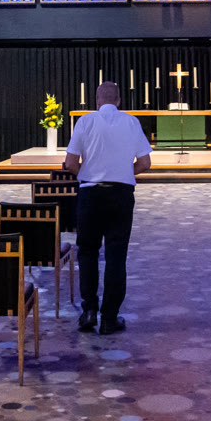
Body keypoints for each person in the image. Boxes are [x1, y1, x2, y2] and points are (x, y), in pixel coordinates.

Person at [62, 80, 151, 335]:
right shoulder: (131, 122)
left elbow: (70, 163)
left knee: (87, 252)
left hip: (90, 195)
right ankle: (109, 318)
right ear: (119, 100)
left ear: (97, 100)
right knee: (116, 255)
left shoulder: (85, 122)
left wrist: (89, 172)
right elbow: (145, 163)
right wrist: (122, 172)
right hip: (120, 196)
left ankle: (89, 311)